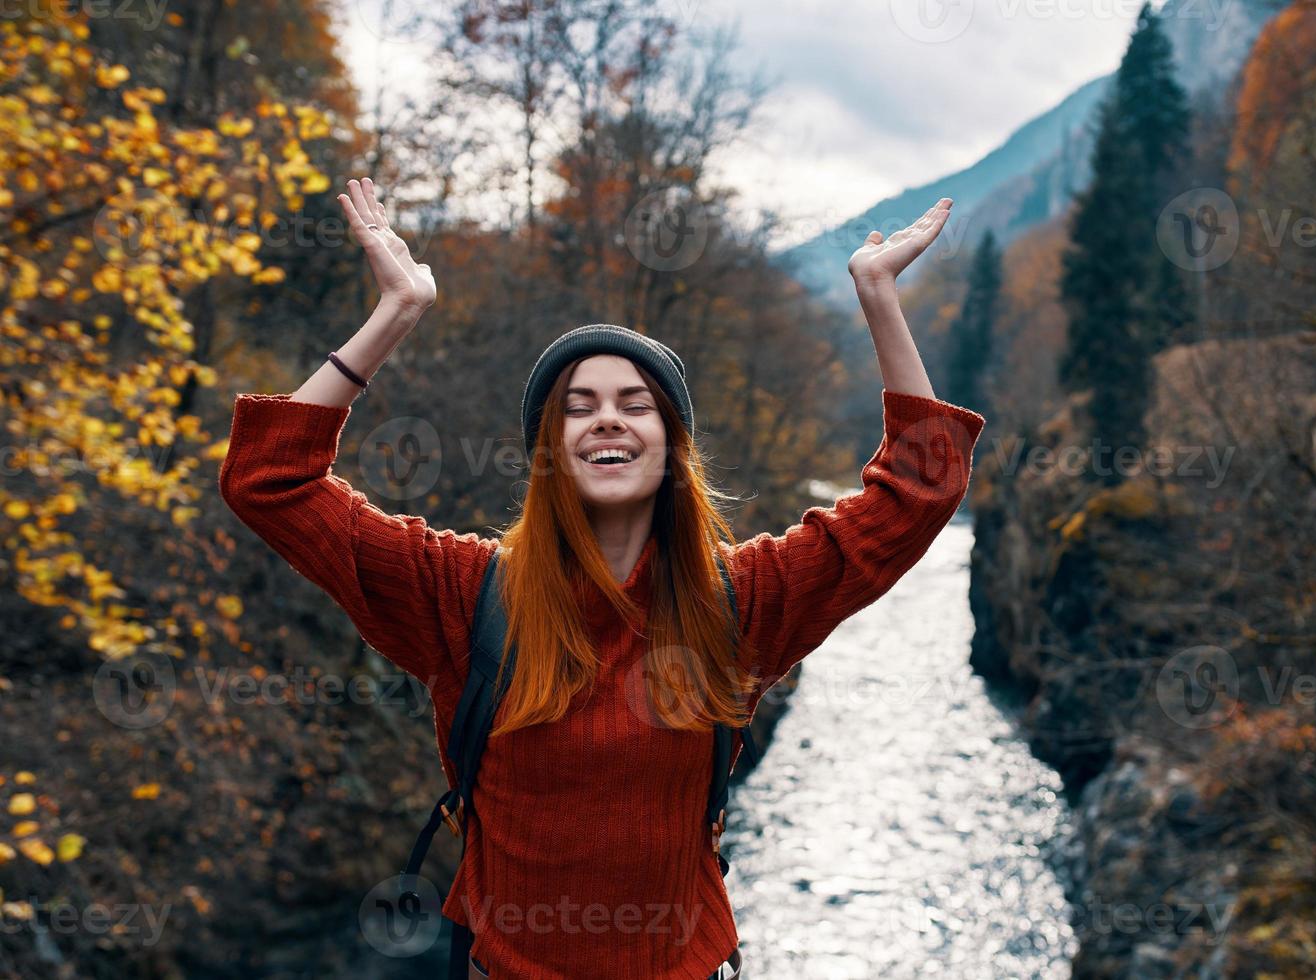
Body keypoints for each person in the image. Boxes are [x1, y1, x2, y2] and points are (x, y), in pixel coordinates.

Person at [218, 177, 987, 979]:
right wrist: (397, 311)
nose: (608, 418)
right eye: (578, 406)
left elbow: (919, 490)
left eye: (636, 403)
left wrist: (878, 297)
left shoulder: (741, 604)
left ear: (673, 448)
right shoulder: (463, 594)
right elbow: (268, 478)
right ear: (550, 448)